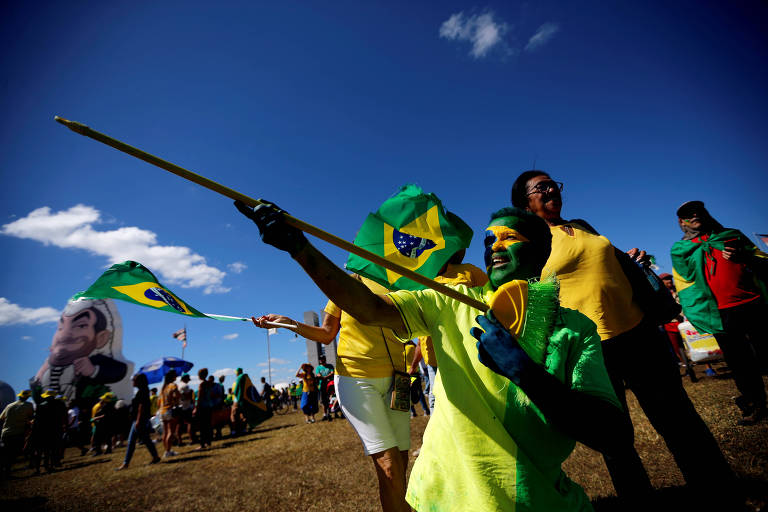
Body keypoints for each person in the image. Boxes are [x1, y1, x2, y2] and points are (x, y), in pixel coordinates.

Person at [237, 200, 632, 511]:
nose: (493, 245)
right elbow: (367, 311)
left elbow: (614, 435)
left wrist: (523, 371)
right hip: (363, 386)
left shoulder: (573, 329)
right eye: (489, 240)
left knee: (403, 454)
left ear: (542, 249)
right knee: (389, 463)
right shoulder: (445, 301)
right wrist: (298, 247)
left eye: (508, 237)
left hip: (406, 382)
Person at [511, 170, 738, 506]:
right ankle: (638, 500)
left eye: (553, 184)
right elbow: (534, 296)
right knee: (614, 436)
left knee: (678, 418)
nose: (551, 190)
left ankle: (718, 490)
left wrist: (633, 261)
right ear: (525, 203)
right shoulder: (528, 244)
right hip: (590, 347)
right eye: (540, 188)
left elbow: (608, 259)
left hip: (639, 332)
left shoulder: (582, 224)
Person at [671, 200, 768, 424]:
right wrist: (696, 312)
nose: (694, 214)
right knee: (739, 362)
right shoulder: (680, 250)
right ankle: (756, 405)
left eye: (698, 210)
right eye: (688, 213)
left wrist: (744, 256)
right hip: (720, 313)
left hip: (754, 303)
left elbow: (763, 260)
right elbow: (684, 284)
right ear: (681, 221)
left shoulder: (731, 235)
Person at [408, 250, 488, 411]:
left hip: (468, 351)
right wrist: (413, 366)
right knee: (436, 401)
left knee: (474, 400)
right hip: (435, 359)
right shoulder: (419, 281)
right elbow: (421, 339)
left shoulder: (469, 271)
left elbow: (491, 300)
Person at [33, 299, 128, 403]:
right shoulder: (47, 366)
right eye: (60, 328)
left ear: (101, 338)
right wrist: (38, 379)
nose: (63, 336)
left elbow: (120, 370)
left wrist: (93, 370)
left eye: (81, 326)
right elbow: (36, 388)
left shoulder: (95, 361)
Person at [116, 373, 160, 470]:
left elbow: (141, 407)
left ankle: (125, 463)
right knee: (146, 440)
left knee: (132, 441)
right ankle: (155, 457)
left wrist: (139, 420)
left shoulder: (142, 392)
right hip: (139, 419)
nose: (132, 381)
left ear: (139, 381)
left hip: (139, 420)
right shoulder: (142, 391)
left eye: (134, 380)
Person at [0, 390, 34, 477]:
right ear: (26, 397)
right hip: (18, 433)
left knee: (6, 453)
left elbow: (1, 417)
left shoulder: (9, 406)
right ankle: (7, 471)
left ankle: (6, 471)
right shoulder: (29, 405)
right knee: (14, 453)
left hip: (6, 433)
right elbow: (31, 418)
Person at [158, 370, 180, 457]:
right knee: (171, 431)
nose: (176, 377)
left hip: (162, 411)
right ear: (172, 377)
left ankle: (166, 450)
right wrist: (176, 399)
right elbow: (177, 395)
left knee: (165, 432)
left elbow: (158, 402)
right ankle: (168, 451)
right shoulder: (173, 385)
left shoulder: (163, 388)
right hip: (169, 410)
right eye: (175, 375)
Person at [89, 392, 115, 457]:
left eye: (102, 399)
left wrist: (96, 418)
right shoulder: (108, 405)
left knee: (97, 438)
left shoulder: (107, 406)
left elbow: (104, 415)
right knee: (106, 438)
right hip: (104, 424)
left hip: (102, 424)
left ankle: (98, 451)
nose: (101, 400)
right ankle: (107, 450)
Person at [195, 368, 214, 450]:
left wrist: (196, 408)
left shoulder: (202, 384)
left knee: (202, 426)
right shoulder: (209, 384)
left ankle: (202, 444)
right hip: (209, 406)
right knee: (208, 425)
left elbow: (199, 397)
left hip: (202, 407)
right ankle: (208, 442)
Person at [176, 373, 195, 446]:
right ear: (186, 378)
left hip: (179, 407)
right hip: (186, 407)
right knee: (190, 423)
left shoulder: (178, 385)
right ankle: (191, 439)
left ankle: (179, 441)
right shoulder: (185, 386)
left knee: (179, 424)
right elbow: (187, 397)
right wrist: (190, 394)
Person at [315, 355, 335, 421]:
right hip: (322, 386)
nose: (321, 360)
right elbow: (318, 374)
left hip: (330, 385)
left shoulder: (330, 366)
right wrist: (323, 377)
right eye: (320, 359)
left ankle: (330, 413)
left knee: (330, 399)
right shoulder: (318, 367)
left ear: (325, 359)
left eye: (322, 359)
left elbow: (332, 372)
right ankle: (325, 414)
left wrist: (325, 377)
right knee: (324, 401)